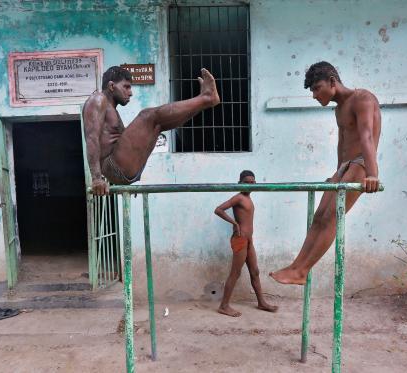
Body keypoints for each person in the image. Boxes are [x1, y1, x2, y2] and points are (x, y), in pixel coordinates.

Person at [270, 61, 382, 285]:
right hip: (345, 166)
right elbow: (342, 143)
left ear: (332, 81)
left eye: (316, 88)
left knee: (331, 217)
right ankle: (296, 267)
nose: (314, 95)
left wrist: (373, 173)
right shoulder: (339, 108)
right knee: (319, 217)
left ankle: (302, 270)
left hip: (361, 165)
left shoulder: (363, 99)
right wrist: (337, 173)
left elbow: (367, 136)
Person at [84, 66, 219, 195]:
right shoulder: (97, 99)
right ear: (111, 86)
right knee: (147, 116)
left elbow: (128, 144)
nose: (130, 92)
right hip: (113, 166)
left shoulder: (111, 110)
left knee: (159, 125)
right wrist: (96, 178)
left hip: (123, 168)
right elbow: (91, 138)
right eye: (126, 87)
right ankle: (206, 98)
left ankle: (204, 102)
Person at [214, 170, 278, 317]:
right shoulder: (238, 198)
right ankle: (224, 306)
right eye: (246, 182)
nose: (249, 185)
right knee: (235, 273)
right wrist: (234, 223)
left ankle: (261, 303)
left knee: (255, 271)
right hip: (240, 239)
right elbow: (218, 210)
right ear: (239, 183)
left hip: (249, 240)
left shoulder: (248, 199)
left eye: (252, 182)